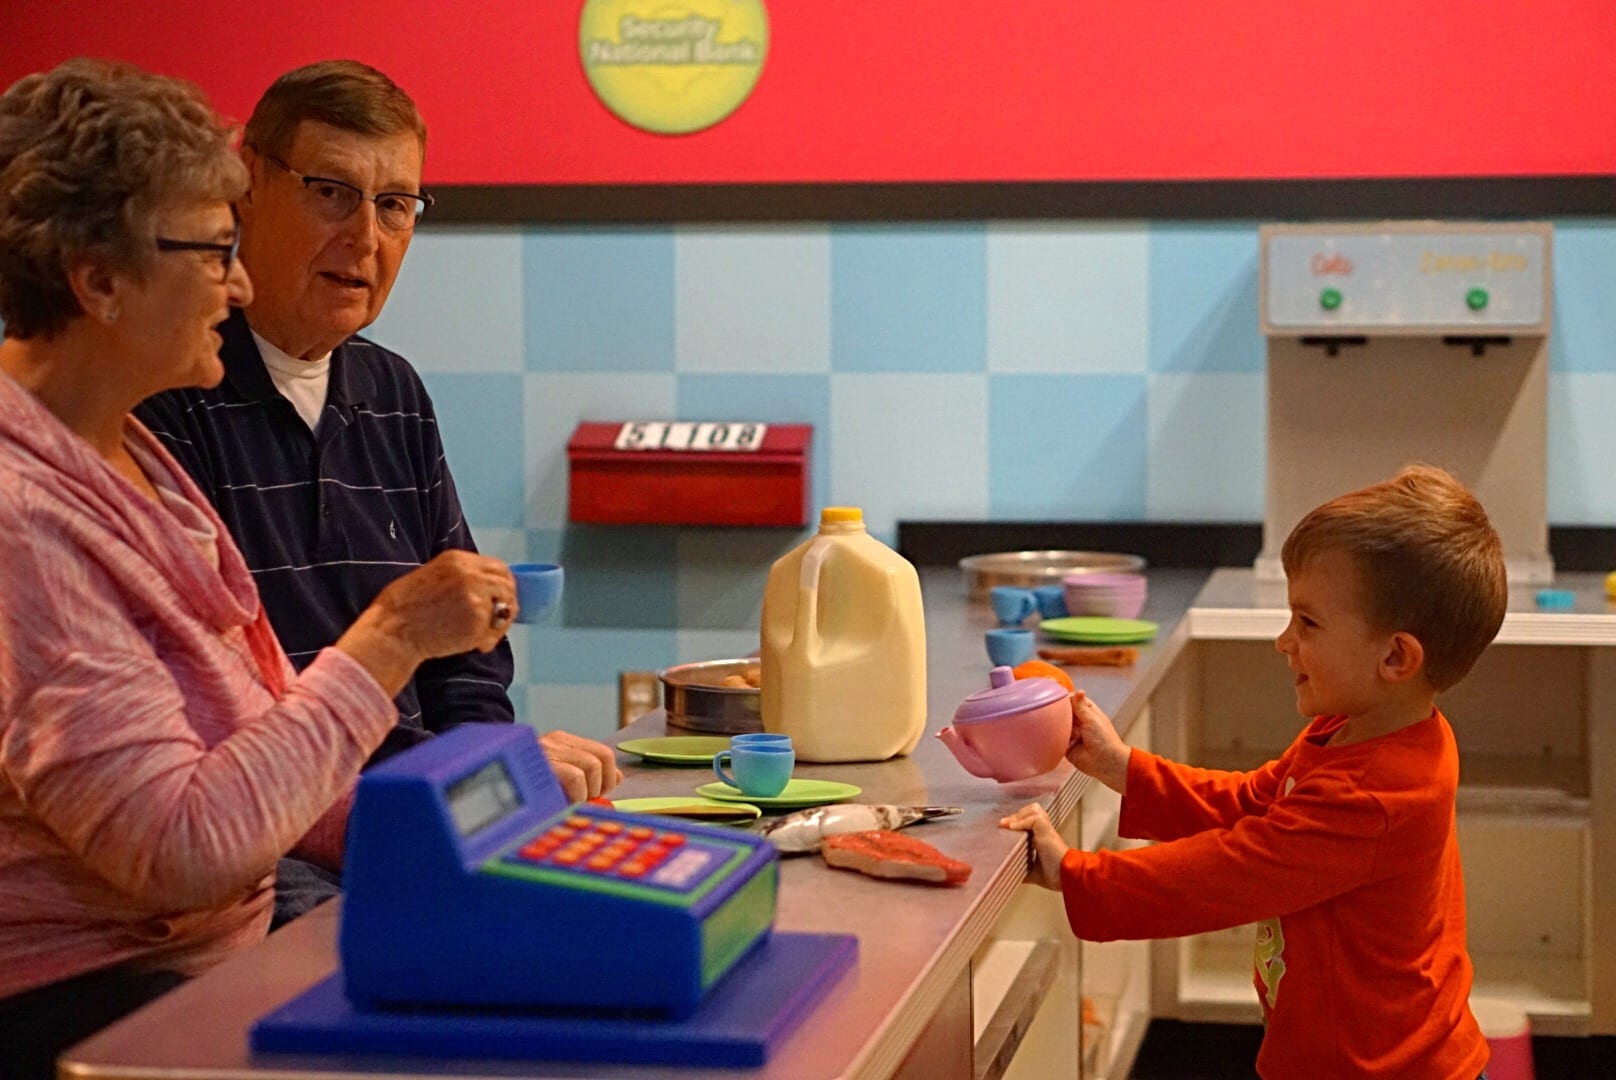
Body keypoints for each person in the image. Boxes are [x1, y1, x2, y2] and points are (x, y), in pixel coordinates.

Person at [0, 59, 522, 1079]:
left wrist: (471, 816)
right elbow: (184, 845)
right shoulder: (26, 516)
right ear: (97, 279)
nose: (233, 284)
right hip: (101, 995)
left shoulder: (126, 458)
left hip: (211, 936)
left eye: (395, 203)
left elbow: (254, 731)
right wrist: (389, 642)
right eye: (209, 249)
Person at [132, 61, 619, 921]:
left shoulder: (393, 392)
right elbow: (226, 709)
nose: (365, 235)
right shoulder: (165, 401)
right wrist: (461, 791)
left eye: (395, 205)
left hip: (412, 810)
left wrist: (492, 781)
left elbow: (468, 654)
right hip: (268, 839)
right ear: (246, 192)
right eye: (332, 192)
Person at [1001, 464, 1505, 1079]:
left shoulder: (1375, 792)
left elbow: (1228, 873)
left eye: (1309, 622)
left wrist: (1075, 874)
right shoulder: (1352, 730)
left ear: (1395, 656)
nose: (1283, 641)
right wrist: (1121, 766)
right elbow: (1250, 806)